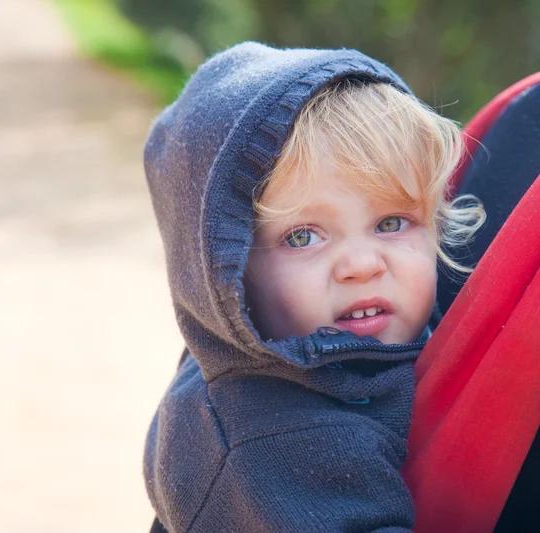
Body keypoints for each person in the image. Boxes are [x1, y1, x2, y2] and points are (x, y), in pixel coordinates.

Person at [143, 42, 485, 532]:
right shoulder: (272, 443)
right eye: (301, 237)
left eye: (392, 222)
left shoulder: (364, 325)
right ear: (228, 274)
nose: (363, 266)